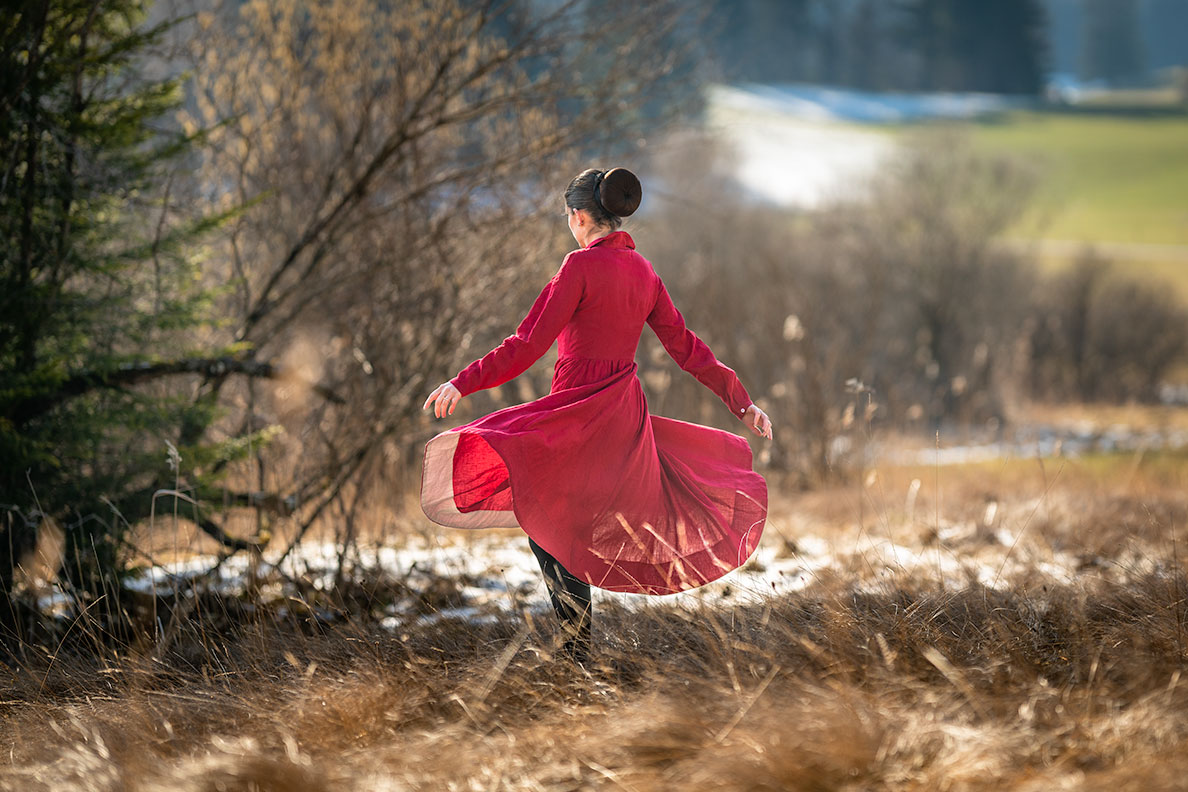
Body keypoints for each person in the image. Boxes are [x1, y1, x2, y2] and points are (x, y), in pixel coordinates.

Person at [421, 167, 772, 662]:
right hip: (621, 422)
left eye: (569, 216)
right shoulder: (645, 272)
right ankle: (576, 652)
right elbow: (687, 348)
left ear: (579, 216)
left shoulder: (578, 268)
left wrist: (464, 381)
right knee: (560, 530)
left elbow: (526, 345)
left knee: (552, 530)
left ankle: (575, 653)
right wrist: (742, 401)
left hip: (575, 418)